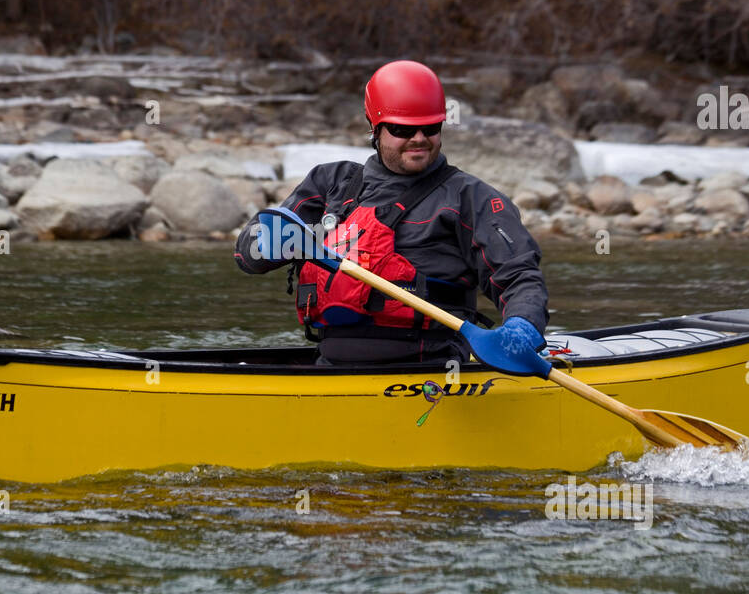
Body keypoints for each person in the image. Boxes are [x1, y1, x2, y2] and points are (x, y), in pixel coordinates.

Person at [234, 59, 548, 366]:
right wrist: (267, 244)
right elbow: (247, 258)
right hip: (332, 366)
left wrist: (522, 327)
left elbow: (520, 277)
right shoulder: (331, 183)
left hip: (434, 368)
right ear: (375, 127)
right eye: (403, 129)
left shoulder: (470, 198)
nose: (420, 139)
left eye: (430, 127)